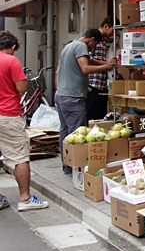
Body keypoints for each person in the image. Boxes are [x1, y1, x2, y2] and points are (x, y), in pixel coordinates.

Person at [0, 31, 49, 211]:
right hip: (8, 114)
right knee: (20, 157)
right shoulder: (11, 61)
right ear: (12, 47)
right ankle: (25, 198)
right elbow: (21, 88)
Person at [56, 28, 116, 174]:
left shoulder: (69, 46)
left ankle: (67, 165)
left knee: (65, 133)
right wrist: (107, 66)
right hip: (73, 98)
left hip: (62, 96)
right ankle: (77, 168)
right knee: (77, 134)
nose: (93, 48)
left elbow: (59, 71)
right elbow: (85, 68)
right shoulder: (81, 46)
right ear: (92, 40)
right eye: (94, 46)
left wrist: (106, 63)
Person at [86, 17, 114, 122]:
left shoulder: (102, 41)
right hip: (93, 85)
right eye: (112, 30)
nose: (113, 34)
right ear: (106, 26)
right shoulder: (93, 38)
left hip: (102, 85)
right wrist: (106, 64)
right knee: (92, 117)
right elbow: (88, 59)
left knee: (101, 117)